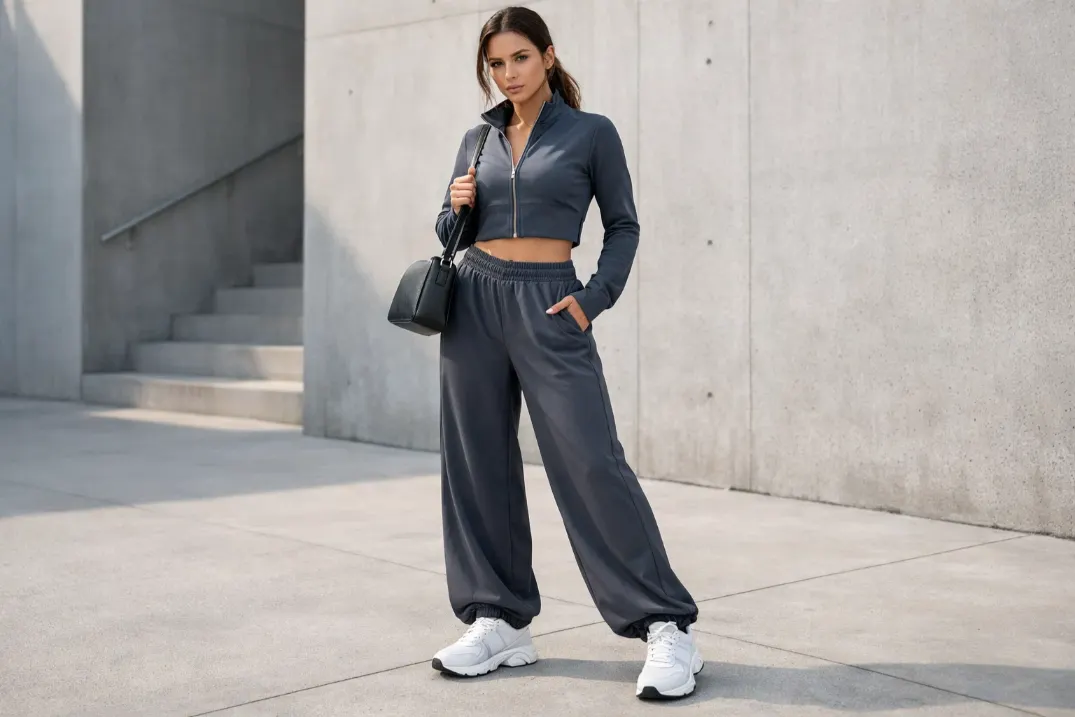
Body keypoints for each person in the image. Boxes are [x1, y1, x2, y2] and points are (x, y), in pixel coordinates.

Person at [430, 6, 703, 700]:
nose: (507, 74)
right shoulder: (478, 137)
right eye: (495, 64)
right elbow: (451, 232)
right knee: (476, 462)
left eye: (519, 58)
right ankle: (497, 617)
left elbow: (622, 223)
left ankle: (664, 623)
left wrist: (593, 297)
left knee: (589, 461)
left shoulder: (589, 133)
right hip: (474, 297)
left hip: (550, 300)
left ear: (547, 57)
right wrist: (456, 201)